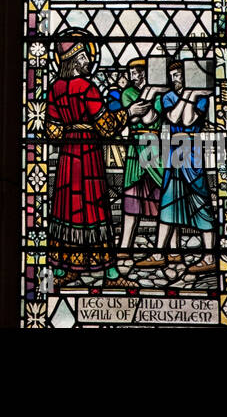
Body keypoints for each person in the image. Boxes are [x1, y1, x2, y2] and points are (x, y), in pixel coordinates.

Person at [45, 32, 129, 281]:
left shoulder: (55, 89)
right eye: (83, 56)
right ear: (72, 60)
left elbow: (52, 129)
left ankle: (62, 267)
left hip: (68, 153)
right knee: (94, 204)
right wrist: (127, 112)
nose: (88, 60)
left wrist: (69, 127)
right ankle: (109, 269)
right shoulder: (87, 87)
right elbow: (107, 126)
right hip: (88, 151)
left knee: (65, 205)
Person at [138, 61, 216, 275]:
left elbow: (189, 120)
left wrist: (191, 95)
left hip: (193, 154)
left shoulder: (201, 99)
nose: (175, 80)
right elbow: (171, 117)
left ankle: (209, 255)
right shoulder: (168, 98)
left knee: (201, 202)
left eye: (180, 75)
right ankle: (158, 253)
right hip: (173, 153)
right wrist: (187, 95)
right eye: (172, 76)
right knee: (168, 201)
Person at [108, 58, 159, 272]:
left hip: (155, 147)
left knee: (162, 196)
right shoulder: (128, 93)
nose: (133, 75)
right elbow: (140, 118)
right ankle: (125, 246)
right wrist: (151, 94)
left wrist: (151, 98)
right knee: (131, 197)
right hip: (136, 147)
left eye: (137, 71)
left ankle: (165, 250)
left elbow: (150, 117)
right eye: (131, 71)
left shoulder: (156, 93)